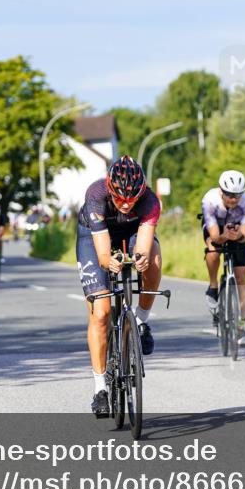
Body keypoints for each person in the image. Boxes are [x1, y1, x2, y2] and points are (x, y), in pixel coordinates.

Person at [76, 156, 162, 417]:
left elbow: (144, 244)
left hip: (133, 231)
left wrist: (141, 258)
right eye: (120, 198)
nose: (126, 204)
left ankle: (140, 320)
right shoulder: (96, 194)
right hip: (94, 235)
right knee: (100, 312)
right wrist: (108, 261)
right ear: (110, 189)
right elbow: (103, 255)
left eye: (132, 199)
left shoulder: (150, 201)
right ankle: (100, 388)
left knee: (153, 259)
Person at [201, 170, 245, 346]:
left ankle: (241, 326)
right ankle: (213, 285)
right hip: (216, 228)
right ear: (221, 191)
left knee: (241, 278)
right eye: (230, 195)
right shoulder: (209, 200)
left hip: (236, 229)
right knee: (212, 249)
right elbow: (215, 236)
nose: (233, 199)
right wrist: (223, 237)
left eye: (237, 195)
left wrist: (237, 235)